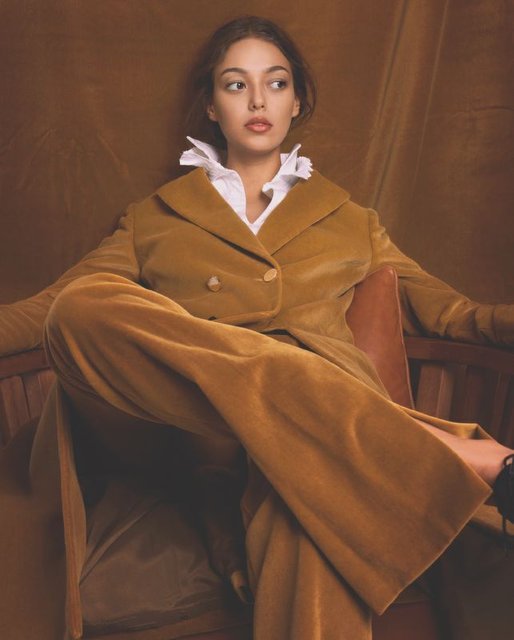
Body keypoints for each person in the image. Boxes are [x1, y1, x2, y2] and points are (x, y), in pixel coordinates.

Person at [0, 14, 513, 640]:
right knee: (80, 309)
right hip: (197, 426)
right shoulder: (153, 218)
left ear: (296, 101)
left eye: (275, 82)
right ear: (212, 106)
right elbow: (50, 309)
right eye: (236, 84)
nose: (257, 100)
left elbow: (455, 315)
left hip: (310, 446)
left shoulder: (352, 220)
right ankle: (435, 449)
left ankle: (329, 438)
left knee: (304, 496)